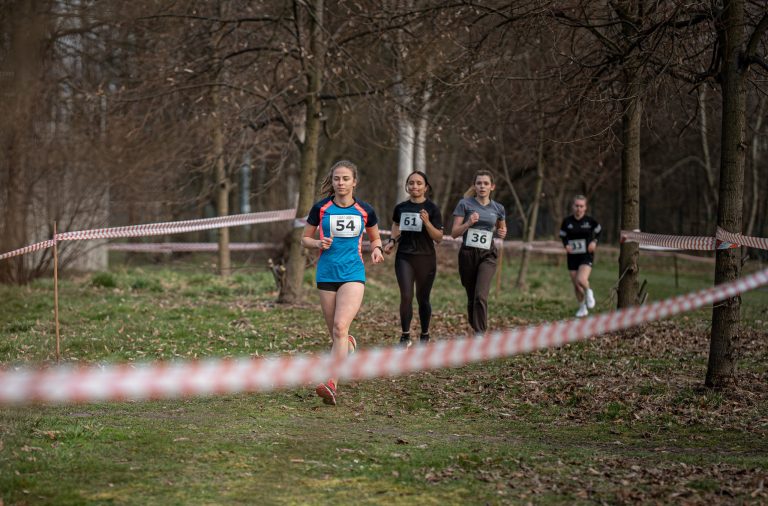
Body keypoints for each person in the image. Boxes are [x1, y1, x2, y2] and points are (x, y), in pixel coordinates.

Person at [302, 160, 384, 405]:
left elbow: (375, 238)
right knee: (336, 334)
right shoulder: (321, 208)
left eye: (346, 178)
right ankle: (347, 344)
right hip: (326, 273)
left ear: (354, 182)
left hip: (353, 274)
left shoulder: (365, 210)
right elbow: (304, 238)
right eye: (337, 178)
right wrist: (318, 243)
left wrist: (377, 249)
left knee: (339, 327)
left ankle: (331, 383)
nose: (340, 183)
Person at [383, 171, 443, 347]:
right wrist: (392, 241)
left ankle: (425, 334)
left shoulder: (432, 209)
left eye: (418, 183)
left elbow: (438, 237)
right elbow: (396, 225)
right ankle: (405, 336)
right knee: (406, 296)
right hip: (405, 257)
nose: (414, 186)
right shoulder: (401, 208)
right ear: (407, 186)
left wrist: (427, 222)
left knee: (423, 298)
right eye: (411, 183)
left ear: (426, 187)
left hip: (426, 258)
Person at [450, 170, 507, 335]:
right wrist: (468, 223)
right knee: (472, 297)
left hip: (487, 255)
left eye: (486, 183)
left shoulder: (498, 208)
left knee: (481, 295)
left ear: (492, 187)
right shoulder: (464, 204)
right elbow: (454, 233)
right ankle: (476, 327)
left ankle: (480, 334)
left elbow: (502, 229)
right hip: (468, 254)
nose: (482, 186)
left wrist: (502, 232)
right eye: (479, 183)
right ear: (474, 186)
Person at [559, 195, 602, 317]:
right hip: (572, 256)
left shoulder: (590, 221)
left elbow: (599, 231)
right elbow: (563, 235)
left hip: (586, 255)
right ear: (573, 206)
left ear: (585, 207)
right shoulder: (567, 222)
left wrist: (594, 242)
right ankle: (582, 308)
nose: (579, 208)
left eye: (581, 206)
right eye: (577, 206)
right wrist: (566, 245)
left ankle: (589, 292)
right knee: (577, 286)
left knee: (581, 279)